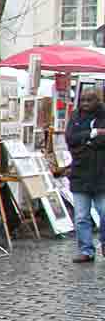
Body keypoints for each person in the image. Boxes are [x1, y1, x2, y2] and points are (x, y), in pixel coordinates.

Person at [66, 88, 105, 263]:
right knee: (81, 216)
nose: (85, 104)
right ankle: (86, 250)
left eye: (89, 100)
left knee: (104, 212)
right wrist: (92, 134)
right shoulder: (75, 118)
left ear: (97, 101)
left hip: (101, 173)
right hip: (80, 173)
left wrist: (87, 141)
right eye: (83, 100)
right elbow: (71, 139)